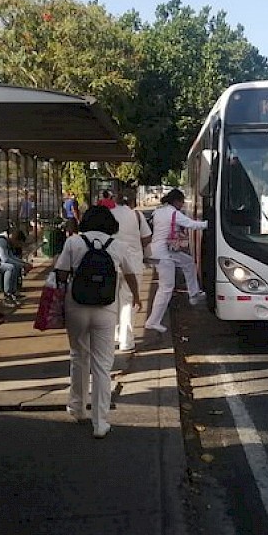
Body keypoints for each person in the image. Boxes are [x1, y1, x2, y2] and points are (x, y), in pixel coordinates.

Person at [54, 205, 141, 439]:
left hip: (77, 305)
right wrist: (137, 298)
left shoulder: (73, 242)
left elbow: (60, 273)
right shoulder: (118, 245)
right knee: (102, 366)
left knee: (78, 356)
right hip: (105, 308)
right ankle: (100, 422)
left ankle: (77, 407)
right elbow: (131, 274)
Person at [144, 188, 208, 333]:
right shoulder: (173, 213)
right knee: (166, 288)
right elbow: (191, 224)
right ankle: (153, 321)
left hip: (158, 251)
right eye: (182, 202)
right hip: (164, 254)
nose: (183, 205)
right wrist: (209, 224)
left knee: (188, 262)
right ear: (176, 201)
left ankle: (194, 294)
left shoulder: (158, 211)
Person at [110, 193, 152, 352]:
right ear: (132, 202)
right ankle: (126, 341)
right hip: (133, 264)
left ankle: (113, 335)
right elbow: (147, 238)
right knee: (128, 302)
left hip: (112, 263)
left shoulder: (108, 215)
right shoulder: (137, 215)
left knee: (112, 301)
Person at [0, 229, 32, 306]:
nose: (17, 245)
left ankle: (13, 292)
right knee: (10, 267)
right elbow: (5, 259)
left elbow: (11, 257)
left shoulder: (7, 241)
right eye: (18, 243)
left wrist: (24, 263)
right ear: (15, 239)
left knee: (15, 266)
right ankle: (7, 295)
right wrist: (23, 265)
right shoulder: (1, 241)